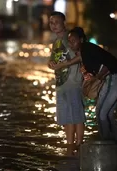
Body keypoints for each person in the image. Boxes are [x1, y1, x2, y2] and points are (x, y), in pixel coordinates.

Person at [52, 27, 117, 145]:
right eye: (69, 41)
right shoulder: (85, 51)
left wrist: (96, 79)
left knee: (102, 113)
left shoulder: (87, 49)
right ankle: (115, 142)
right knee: (105, 113)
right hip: (114, 78)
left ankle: (107, 143)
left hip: (114, 77)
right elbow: (76, 61)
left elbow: (106, 67)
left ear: (81, 40)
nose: (71, 44)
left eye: (74, 40)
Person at [47, 12, 85, 154]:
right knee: (66, 117)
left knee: (77, 115)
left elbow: (82, 55)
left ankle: (80, 145)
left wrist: (64, 65)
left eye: (57, 22)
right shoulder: (56, 42)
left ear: (64, 22)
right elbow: (52, 60)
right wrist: (50, 63)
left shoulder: (71, 37)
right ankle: (70, 147)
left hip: (74, 82)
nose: (54, 25)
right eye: (51, 22)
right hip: (61, 84)